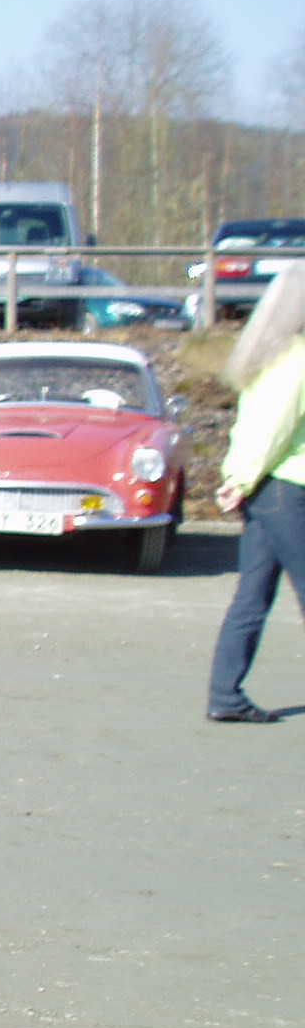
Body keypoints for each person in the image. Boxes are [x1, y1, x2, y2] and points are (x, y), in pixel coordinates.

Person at [205, 263, 305, 724]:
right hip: (288, 488)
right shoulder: (296, 358)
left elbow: (250, 426)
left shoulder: (266, 355)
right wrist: (240, 480)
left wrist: (238, 479)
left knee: (253, 596)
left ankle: (225, 695)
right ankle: (225, 695)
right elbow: (272, 431)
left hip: (267, 488)